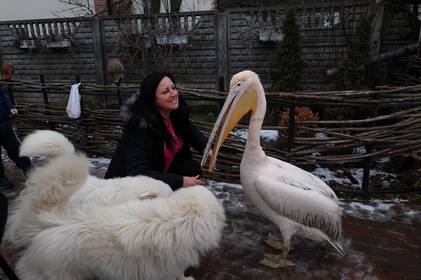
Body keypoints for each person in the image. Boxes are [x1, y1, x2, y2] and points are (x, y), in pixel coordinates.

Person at [105, 71, 210, 190]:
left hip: (158, 169)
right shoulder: (141, 129)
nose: (173, 94)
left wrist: (206, 147)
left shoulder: (173, 114)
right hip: (125, 188)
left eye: (173, 88)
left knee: (192, 169)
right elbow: (138, 174)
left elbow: (190, 129)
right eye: (165, 92)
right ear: (153, 100)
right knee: (185, 179)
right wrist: (180, 181)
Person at [0, 86, 31, 190]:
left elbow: (3, 97)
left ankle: (28, 169)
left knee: (15, 148)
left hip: (4, 124)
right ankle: (1, 178)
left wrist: (10, 107)